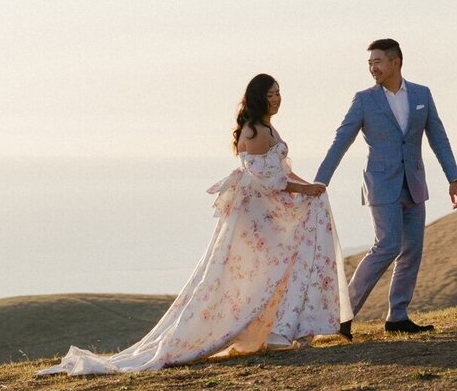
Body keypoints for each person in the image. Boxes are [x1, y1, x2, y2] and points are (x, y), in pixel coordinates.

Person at [37, 74, 351, 376]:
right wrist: (302, 190)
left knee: (276, 265)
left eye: (278, 92)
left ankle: (279, 327)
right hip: (255, 212)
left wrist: (308, 187)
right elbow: (269, 180)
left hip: (264, 208)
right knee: (258, 271)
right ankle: (256, 329)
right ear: (257, 98)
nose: (276, 98)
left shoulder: (269, 127)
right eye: (270, 94)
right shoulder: (253, 131)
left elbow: (282, 170)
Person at [315, 39, 457, 337]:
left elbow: (439, 138)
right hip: (381, 185)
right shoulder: (364, 100)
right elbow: (341, 140)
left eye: (378, 61)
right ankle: (343, 315)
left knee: (412, 251)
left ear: (395, 62)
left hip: (414, 183)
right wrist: (321, 180)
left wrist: (453, 178)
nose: (372, 68)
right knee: (387, 245)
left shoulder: (422, 94)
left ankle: (397, 316)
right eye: (370, 63)